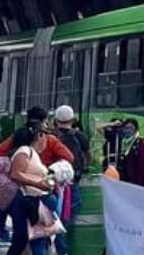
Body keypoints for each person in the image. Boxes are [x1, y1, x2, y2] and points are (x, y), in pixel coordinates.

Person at [5, 126, 56, 255]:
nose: (47, 139)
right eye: (45, 135)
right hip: (26, 201)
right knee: (26, 239)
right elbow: (15, 174)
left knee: (26, 239)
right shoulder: (25, 151)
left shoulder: (31, 153)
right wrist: (38, 184)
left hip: (32, 201)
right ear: (39, 136)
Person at [51, 105, 90, 255]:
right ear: (73, 120)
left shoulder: (51, 137)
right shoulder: (80, 136)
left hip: (52, 183)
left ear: (55, 121)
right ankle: (62, 248)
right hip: (72, 184)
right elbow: (87, 156)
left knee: (55, 216)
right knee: (66, 216)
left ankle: (59, 246)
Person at [0, 107, 75, 167]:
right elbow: (69, 158)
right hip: (43, 181)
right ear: (44, 122)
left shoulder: (18, 136)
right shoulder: (50, 140)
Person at [115, 118, 144, 189]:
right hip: (128, 183)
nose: (128, 130)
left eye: (131, 128)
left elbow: (143, 167)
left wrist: (138, 186)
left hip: (139, 185)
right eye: (126, 128)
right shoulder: (124, 145)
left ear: (136, 130)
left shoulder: (141, 145)